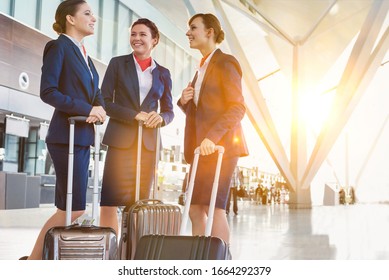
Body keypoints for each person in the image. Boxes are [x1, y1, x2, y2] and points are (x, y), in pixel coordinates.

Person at [21, 0, 106, 260]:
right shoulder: (58, 47)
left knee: (73, 207)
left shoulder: (86, 56)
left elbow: (96, 94)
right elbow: (48, 91)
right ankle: (34, 261)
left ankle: (42, 260)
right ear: (70, 18)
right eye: (88, 13)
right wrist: (87, 109)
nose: (94, 18)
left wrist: (99, 108)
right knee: (72, 208)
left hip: (82, 139)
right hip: (64, 137)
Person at [178, 13, 249, 246]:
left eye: (193, 28)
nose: (188, 32)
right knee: (195, 210)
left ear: (210, 32)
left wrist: (211, 137)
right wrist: (184, 102)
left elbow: (237, 107)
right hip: (202, 149)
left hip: (221, 148)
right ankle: (201, 259)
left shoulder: (226, 62)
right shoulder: (201, 69)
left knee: (214, 207)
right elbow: (200, 115)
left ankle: (220, 262)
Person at [99, 18, 174, 235]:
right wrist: (135, 115)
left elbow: (169, 111)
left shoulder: (163, 73)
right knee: (110, 200)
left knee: (139, 203)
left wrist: (161, 118)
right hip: (120, 141)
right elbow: (105, 101)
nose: (136, 39)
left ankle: (133, 253)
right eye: (133, 34)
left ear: (154, 40)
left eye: (142, 34)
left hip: (148, 145)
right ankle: (110, 253)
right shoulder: (117, 64)